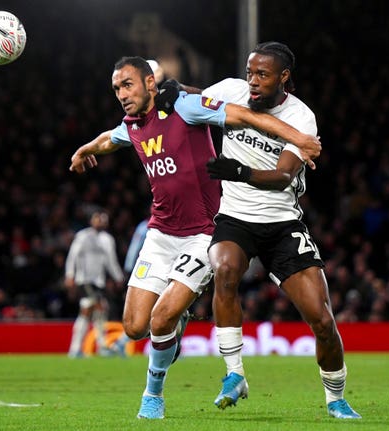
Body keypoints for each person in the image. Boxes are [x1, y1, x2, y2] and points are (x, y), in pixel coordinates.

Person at [68, 56, 321, 419]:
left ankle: (152, 395)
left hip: (203, 235)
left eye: (128, 85)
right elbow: (110, 139)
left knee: (160, 320)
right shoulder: (132, 125)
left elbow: (245, 116)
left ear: (150, 84)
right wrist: (85, 150)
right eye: (116, 89)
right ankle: (178, 323)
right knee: (135, 327)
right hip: (159, 234)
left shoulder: (185, 108)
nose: (122, 94)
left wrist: (299, 138)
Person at [192, 41, 360, 418]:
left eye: (262, 75)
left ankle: (336, 398)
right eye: (250, 72)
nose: (252, 81)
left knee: (321, 318)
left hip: (282, 224)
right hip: (235, 218)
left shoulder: (301, 118)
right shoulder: (230, 91)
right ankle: (234, 374)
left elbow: (284, 175)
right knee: (225, 270)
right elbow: (194, 101)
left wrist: (240, 172)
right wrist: (172, 90)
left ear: (283, 77)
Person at [65, 210, 124, 357]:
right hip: (84, 279)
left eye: (102, 220)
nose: (100, 222)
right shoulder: (83, 236)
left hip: (99, 281)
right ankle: (101, 345)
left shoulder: (107, 239)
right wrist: (70, 274)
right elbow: (73, 255)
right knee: (99, 307)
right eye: (97, 219)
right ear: (91, 220)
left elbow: (111, 261)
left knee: (90, 311)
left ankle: (76, 349)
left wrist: (118, 277)